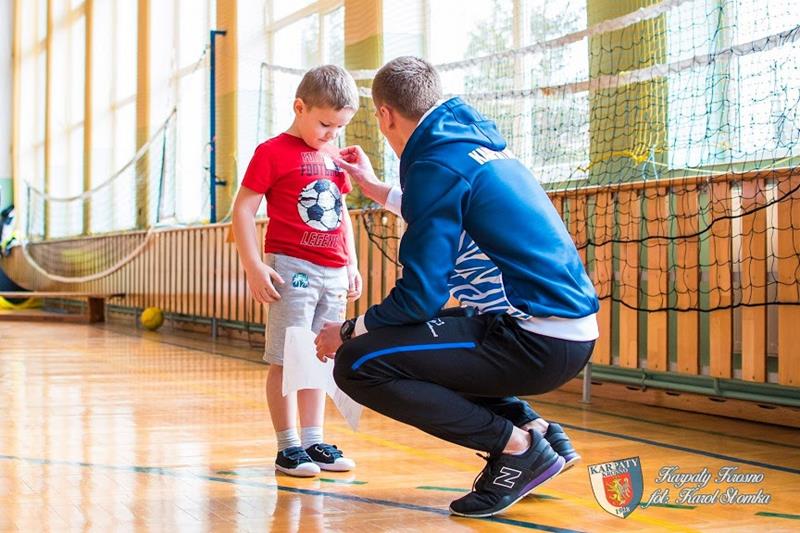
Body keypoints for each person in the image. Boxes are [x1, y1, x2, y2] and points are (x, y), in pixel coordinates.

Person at [314, 56, 599, 517]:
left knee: (359, 363)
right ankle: (540, 433)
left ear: (385, 115)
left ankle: (518, 449)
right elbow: (448, 208)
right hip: (561, 332)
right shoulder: (468, 145)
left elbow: (420, 298)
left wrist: (349, 330)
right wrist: (375, 187)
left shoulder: (433, 163)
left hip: (533, 339)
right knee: (412, 347)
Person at [232, 64, 362, 478]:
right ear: (299, 107)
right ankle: (288, 445)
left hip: (334, 271)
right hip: (293, 268)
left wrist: (352, 263)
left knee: (322, 356)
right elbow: (243, 209)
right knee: (288, 357)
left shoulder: (333, 156)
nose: (331, 134)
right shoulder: (271, 152)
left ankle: (313, 439)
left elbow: (341, 211)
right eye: (325, 124)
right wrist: (254, 265)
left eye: (339, 127)